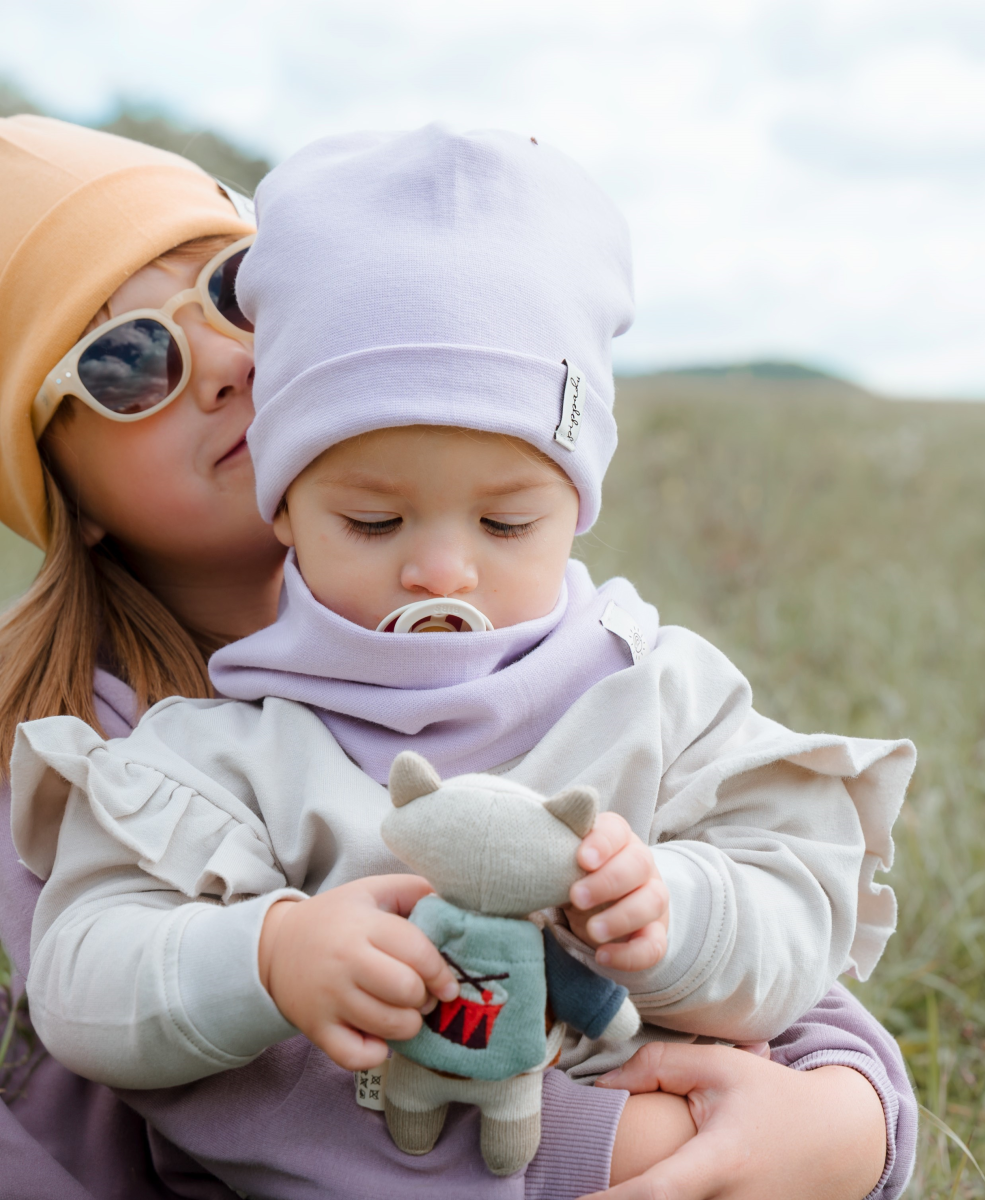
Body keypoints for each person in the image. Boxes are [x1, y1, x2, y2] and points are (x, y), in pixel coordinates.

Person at [0, 114, 916, 1200]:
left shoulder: (551, 643)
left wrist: (849, 1106)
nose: (221, 366)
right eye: (126, 361)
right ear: (50, 482)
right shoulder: (95, 741)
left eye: (231, 289)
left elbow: (746, 907)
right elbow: (245, 1092)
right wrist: (624, 1149)